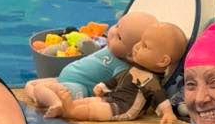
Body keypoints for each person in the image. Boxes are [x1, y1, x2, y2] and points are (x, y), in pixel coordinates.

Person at [24, 11, 157, 117]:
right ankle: (42, 99)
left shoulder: (122, 67)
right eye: (117, 25)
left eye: (119, 37)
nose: (112, 32)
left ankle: (56, 103)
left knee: (40, 89)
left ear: (130, 54)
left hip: (78, 87)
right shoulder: (110, 48)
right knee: (30, 85)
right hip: (63, 78)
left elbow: (116, 88)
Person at [56, 21, 188, 124]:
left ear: (162, 61)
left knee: (95, 110)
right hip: (114, 98)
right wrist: (103, 86)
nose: (136, 46)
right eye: (140, 41)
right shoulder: (134, 69)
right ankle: (67, 108)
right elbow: (118, 79)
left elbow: (160, 96)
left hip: (125, 109)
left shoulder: (150, 79)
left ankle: (71, 111)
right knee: (90, 101)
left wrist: (168, 113)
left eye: (145, 46)